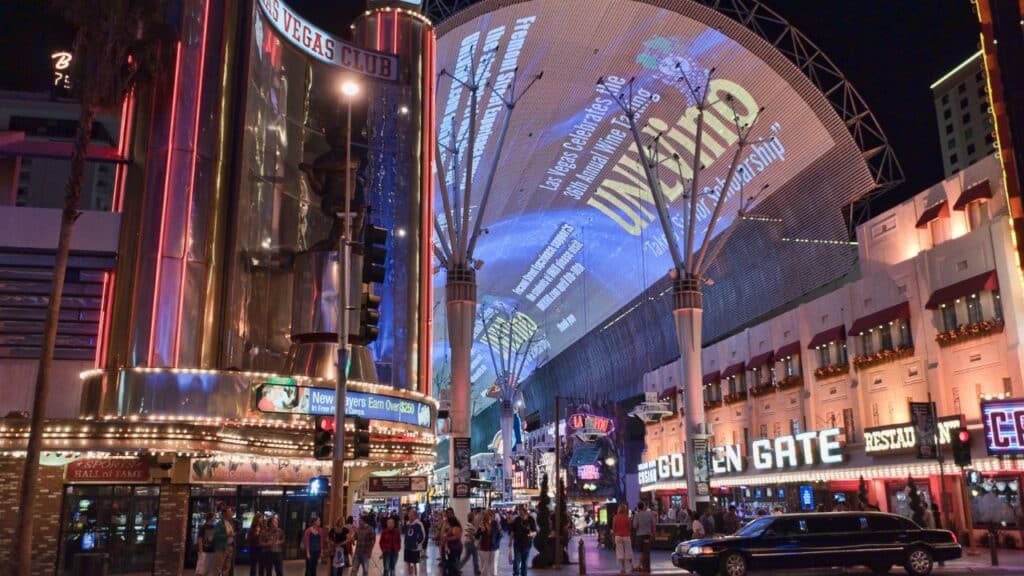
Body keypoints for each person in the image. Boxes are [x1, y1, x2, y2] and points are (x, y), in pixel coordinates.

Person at [509, 505, 537, 576]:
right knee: (516, 561)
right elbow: (512, 531)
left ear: (525, 512)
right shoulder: (517, 519)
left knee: (524, 562)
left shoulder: (531, 520)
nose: (520, 514)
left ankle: (524, 574)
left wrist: (531, 534)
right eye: (519, 512)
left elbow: (535, 531)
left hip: (527, 544)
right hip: (517, 543)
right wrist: (510, 541)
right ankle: (516, 574)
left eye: (521, 512)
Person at [211, 507, 237, 576]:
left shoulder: (230, 522)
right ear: (225, 514)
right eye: (230, 512)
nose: (231, 513)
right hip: (221, 548)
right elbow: (216, 535)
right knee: (218, 567)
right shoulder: (219, 523)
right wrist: (227, 535)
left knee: (227, 568)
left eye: (231, 512)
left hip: (229, 547)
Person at [632, 502, 655, 573]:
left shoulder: (637, 515)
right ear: (644, 506)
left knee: (641, 551)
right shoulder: (650, 514)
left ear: (638, 507)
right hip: (647, 535)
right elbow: (653, 524)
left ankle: (641, 566)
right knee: (646, 551)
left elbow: (635, 526)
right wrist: (653, 533)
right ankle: (646, 567)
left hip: (639, 535)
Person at [404, 509, 427, 576]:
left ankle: (416, 574)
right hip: (407, 546)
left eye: (411, 514)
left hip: (415, 547)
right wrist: (405, 542)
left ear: (415, 515)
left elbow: (423, 535)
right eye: (409, 514)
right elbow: (406, 534)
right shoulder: (407, 523)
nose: (409, 516)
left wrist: (417, 543)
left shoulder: (419, 524)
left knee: (415, 563)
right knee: (408, 562)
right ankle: (409, 574)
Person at [477, 511, 500, 576]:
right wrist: (481, 531)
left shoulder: (495, 524)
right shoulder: (482, 524)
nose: (490, 517)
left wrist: (496, 544)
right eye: (488, 515)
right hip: (484, 548)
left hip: (494, 548)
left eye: (491, 515)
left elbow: (499, 535)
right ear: (486, 516)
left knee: (493, 564)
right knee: (485, 565)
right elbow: (476, 535)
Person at [612, 504, 633, 575]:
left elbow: (613, 528)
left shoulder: (615, 517)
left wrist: (614, 535)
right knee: (628, 551)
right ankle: (631, 566)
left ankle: (622, 568)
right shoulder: (627, 517)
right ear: (625, 509)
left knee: (619, 552)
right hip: (626, 535)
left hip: (618, 536)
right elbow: (630, 527)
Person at [195, 512, 217, 576]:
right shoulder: (203, 527)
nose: (215, 518)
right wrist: (201, 551)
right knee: (201, 570)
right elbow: (200, 539)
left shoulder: (214, 527)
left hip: (212, 551)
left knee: (208, 569)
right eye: (214, 516)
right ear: (210, 518)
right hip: (204, 551)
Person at [461, 511, 481, 576]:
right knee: (475, 557)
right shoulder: (470, 525)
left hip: (467, 543)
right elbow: (470, 535)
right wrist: (475, 542)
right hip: (470, 543)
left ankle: (458, 567)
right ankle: (476, 571)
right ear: (472, 517)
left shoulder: (468, 524)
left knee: (466, 557)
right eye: (474, 516)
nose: (475, 517)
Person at [247, 512, 265, 576]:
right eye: (261, 518)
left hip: (261, 547)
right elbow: (249, 538)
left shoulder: (263, 526)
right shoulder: (252, 527)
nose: (262, 519)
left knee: (262, 565)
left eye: (262, 518)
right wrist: (256, 535)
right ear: (257, 518)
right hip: (254, 547)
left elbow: (264, 536)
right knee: (253, 565)